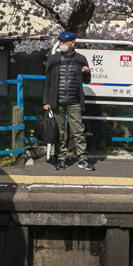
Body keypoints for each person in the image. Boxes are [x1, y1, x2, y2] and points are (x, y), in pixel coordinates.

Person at [42, 31, 94, 172]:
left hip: (74, 101)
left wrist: (86, 72)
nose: (62, 44)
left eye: (65, 42)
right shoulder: (53, 59)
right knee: (59, 131)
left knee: (78, 131)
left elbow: (87, 81)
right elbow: (47, 82)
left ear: (72, 43)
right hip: (56, 101)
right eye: (60, 42)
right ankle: (60, 159)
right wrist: (46, 101)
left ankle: (82, 159)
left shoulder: (81, 59)